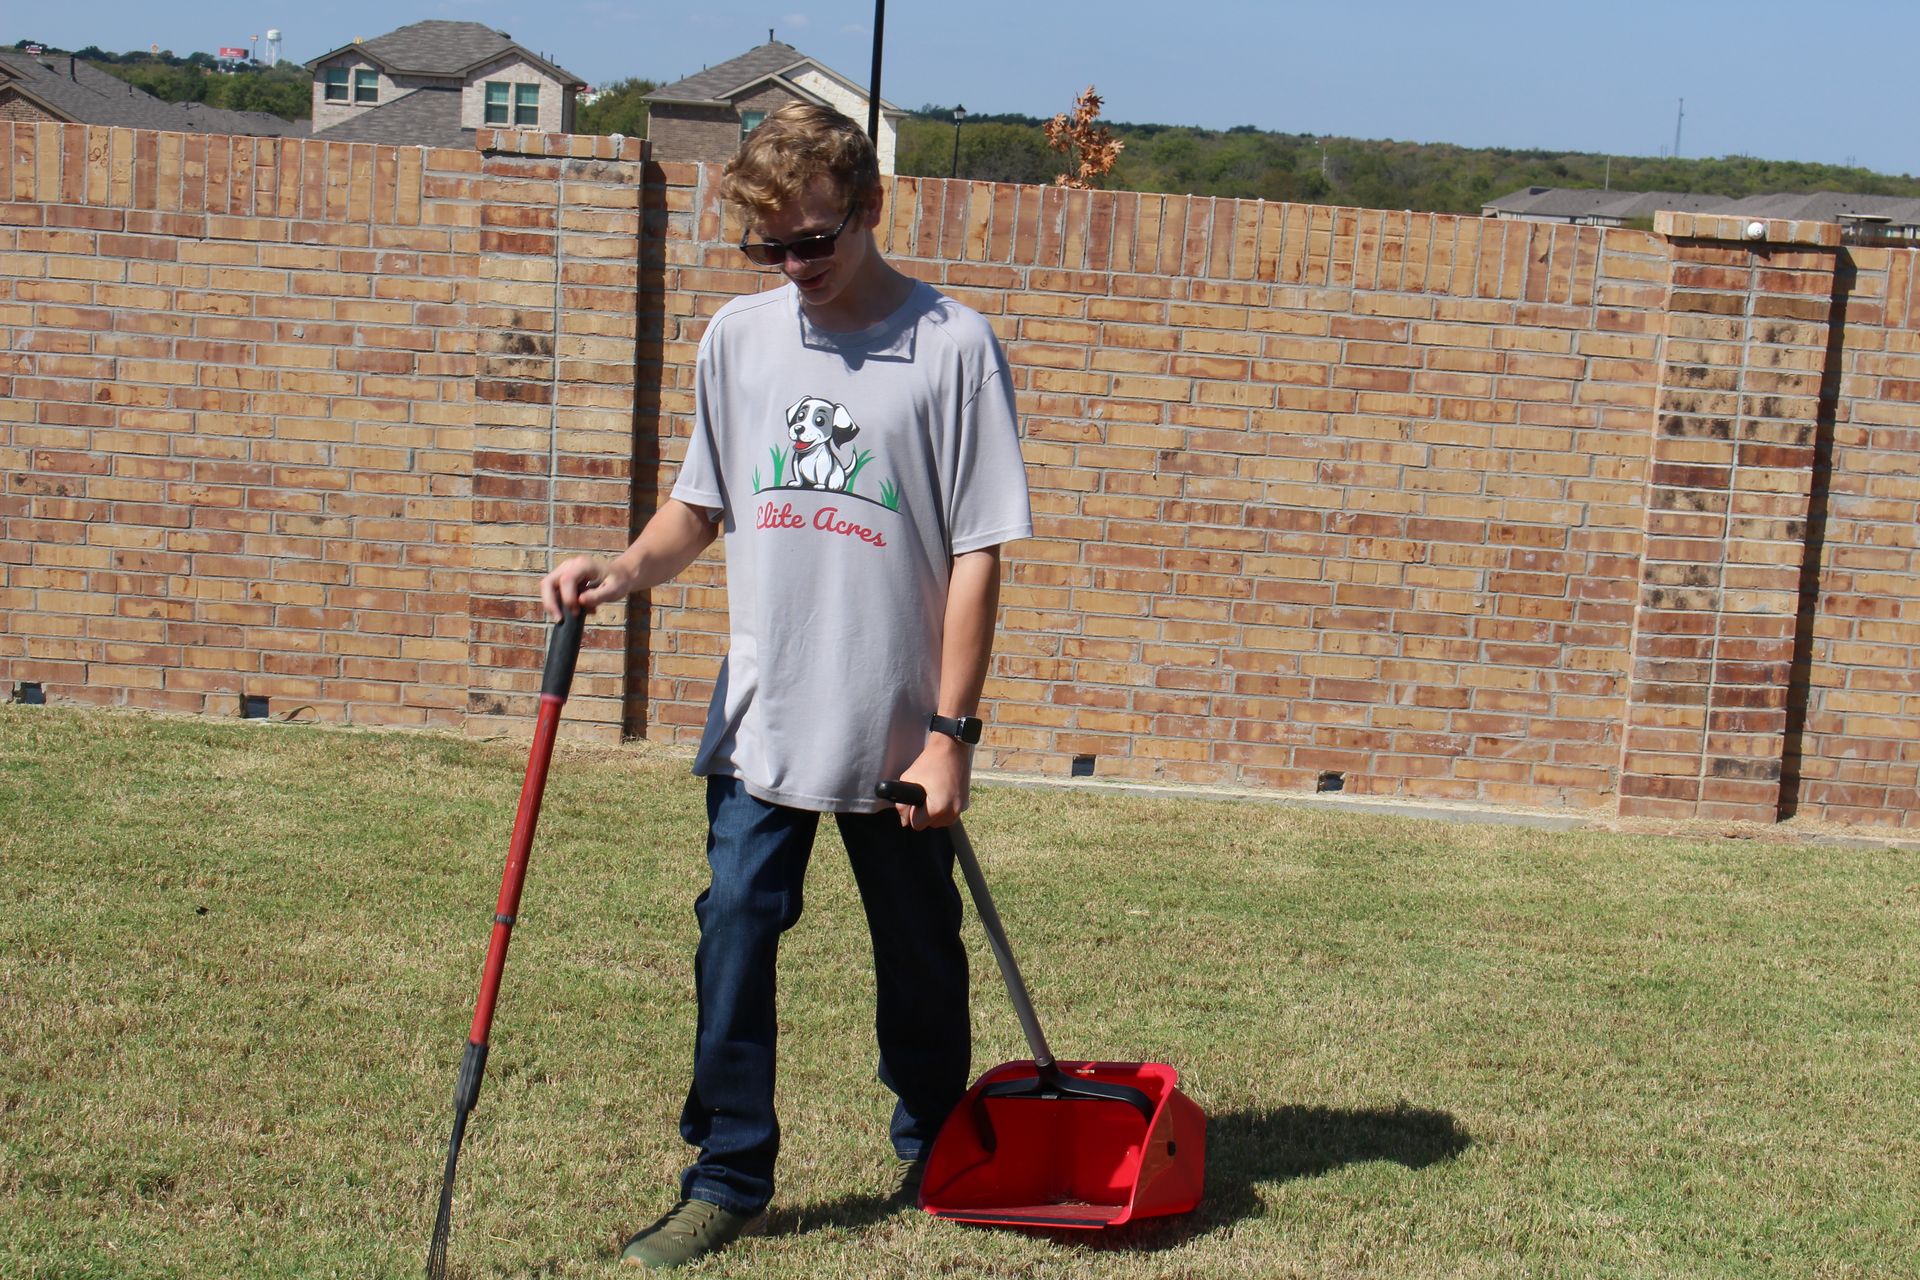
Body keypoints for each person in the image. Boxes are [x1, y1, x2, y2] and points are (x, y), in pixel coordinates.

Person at [539, 102, 1032, 1270]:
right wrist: (621, 566)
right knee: (735, 932)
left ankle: (933, 1145)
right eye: (770, 250)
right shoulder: (738, 339)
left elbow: (978, 552)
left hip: (897, 724)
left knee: (918, 949)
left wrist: (951, 732)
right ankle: (725, 1173)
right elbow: (700, 504)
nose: (794, 269)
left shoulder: (954, 346)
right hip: (762, 711)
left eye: (814, 241)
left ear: (869, 209)